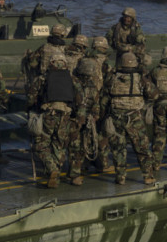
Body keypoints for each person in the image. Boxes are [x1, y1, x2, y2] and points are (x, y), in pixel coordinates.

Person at [100, 52, 159, 185]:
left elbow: (104, 98)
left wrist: (104, 116)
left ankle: (120, 177)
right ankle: (148, 175)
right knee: (142, 147)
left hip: (116, 117)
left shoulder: (112, 77)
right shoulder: (141, 78)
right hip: (134, 117)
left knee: (118, 149)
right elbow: (154, 94)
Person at [27, 53, 82, 188]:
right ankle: (56, 175)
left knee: (41, 144)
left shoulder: (42, 78)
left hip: (48, 115)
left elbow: (31, 98)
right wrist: (79, 118)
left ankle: (52, 170)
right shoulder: (73, 79)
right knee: (59, 146)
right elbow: (81, 100)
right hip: (65, 116)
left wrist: (31, 109)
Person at [68, 58, 102, 186]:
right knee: (78, 147)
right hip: (78, 119)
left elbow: (95, 103)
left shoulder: (78, 83)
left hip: (80, 120)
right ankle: (75, 173)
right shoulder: (79, 83)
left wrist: (94, 115)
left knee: (79, 147)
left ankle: (77, 170)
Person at [86, 36, 114, 172]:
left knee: (86, 131)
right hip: (102, 101)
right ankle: (102, 164)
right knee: (103, 134)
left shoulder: (85, 61)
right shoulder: (107, 64)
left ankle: (85, 163)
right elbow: (111, 84)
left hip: (86, 100)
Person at [23, 23, 68, 92]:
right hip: (62, 79)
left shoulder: (44, 47)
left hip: (45, 79)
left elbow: (32, 62)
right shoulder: (65, 49)